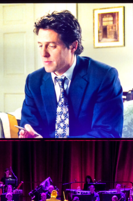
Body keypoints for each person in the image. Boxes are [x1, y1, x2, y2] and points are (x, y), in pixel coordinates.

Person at [18, 10, 124, 139]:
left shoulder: (104, 77)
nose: (43, 53)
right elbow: (31, 126)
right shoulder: (33, 81)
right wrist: (28, 134)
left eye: (51, 46)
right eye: (40, 45)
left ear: (73, 46)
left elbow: (107, 134)